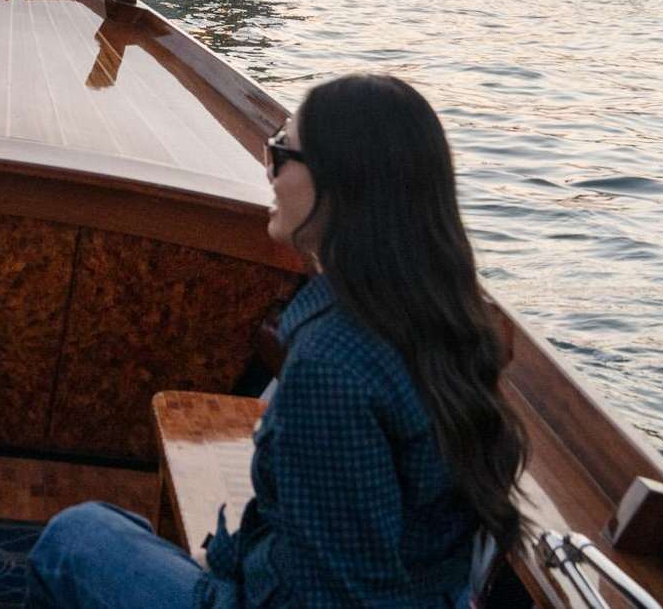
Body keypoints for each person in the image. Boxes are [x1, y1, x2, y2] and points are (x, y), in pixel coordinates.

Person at [29, 73, 528, 609]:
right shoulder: (447, 320)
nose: (267, 171)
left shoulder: (332, 368)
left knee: (73, 537)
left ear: (339, 185)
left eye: (279, 153)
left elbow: (339, 596)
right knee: (115, 525)